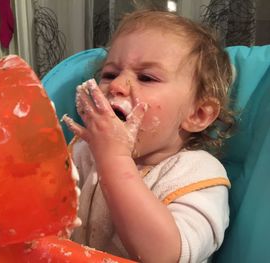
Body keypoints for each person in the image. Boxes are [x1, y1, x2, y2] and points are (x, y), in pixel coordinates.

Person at [62, 9, 236, 263]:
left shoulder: (199, 175)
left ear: (197, 114)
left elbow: (164, 255)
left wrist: (115, 160)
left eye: (146, 77)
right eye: (110, 74)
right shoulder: (84, 151)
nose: (117, 85)